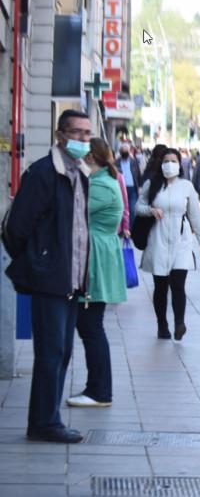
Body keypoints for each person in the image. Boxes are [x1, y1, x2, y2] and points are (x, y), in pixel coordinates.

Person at [3, 109, 92, 443]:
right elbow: (15, 228)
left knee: (63, 352)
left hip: (71, 281)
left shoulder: (80, 173)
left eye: (87, 133)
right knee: (51, 352)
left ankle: (48, 417)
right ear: (60, 135)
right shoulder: (44, 173)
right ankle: (44, 422)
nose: (83, 139)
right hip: (51, 279)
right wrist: (39, 262)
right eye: (76, 133)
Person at [68, 137, 127, 408]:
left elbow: (71, 212)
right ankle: (97, 389)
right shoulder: (102, 180)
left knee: (91, 327)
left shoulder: (101, 185)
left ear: (91, 157)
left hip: (95, 262)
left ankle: (99, 391)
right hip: (94, 258)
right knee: (90, 326)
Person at [136, 149, 200, 340]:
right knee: (160, 286)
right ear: (160, 163)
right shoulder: (152, 184)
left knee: (178, 284)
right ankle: (162, 325)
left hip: (181, 239)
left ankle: (179, 323)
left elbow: (195, 214)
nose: (169, 164)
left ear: (179, 163)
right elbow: (138, 207)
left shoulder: (186, 186)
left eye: (173, 160)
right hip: (157, 238)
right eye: (166, 160)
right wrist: (151, 210)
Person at [116, 141, 141, 218]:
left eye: (126, 151)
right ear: (120, 152)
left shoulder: (134, 161)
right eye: (123, 151)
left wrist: (139, 186)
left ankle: (131, 229)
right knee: (122, 210)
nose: (125, 153)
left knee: (132, 210)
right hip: (121, 189)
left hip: (132, 189)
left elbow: (138, 174)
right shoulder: (116, 163)